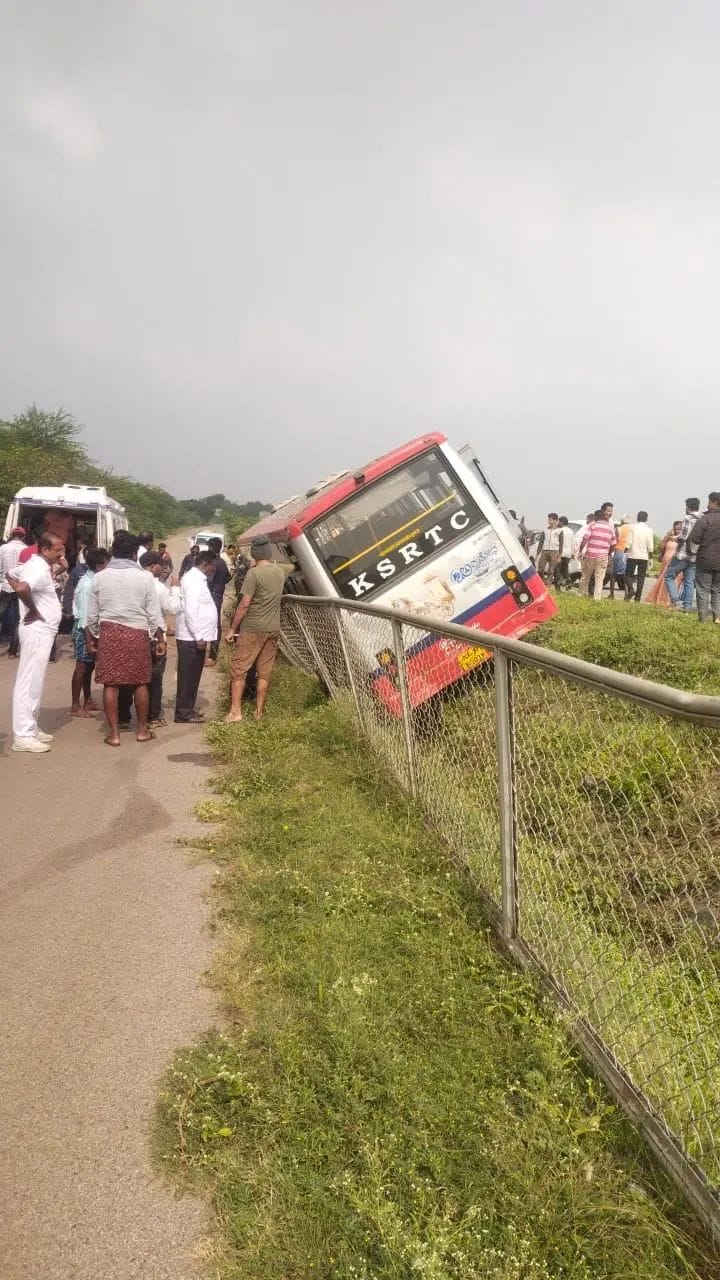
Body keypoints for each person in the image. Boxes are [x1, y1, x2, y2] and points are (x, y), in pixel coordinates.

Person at [85, 530, 165, 746]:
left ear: (113, 552)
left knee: (111, 684)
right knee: (140, 682)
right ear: (134, 554)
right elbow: (153, 612)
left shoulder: (99, 577)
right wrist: (159, 637)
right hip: (137, 633)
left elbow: (91, 614)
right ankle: (142, 731)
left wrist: (94, 636)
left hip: (109, 633)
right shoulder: (145, 578)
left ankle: (114, 735)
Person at [9, 534, 65, 753]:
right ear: (44, 549)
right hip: (37, 631)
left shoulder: (36, 565)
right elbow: (22, 588)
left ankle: (30, 726)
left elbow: (11, 574)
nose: (61, 554)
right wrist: (32, 609)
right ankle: (23, 735)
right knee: (29, 682)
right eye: (58, 550)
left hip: (42, 631)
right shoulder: (37, 569)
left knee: (35, 682)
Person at [224, 534, 287, 723]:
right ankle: (259, 712)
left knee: (239, 668)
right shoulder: (279, 572)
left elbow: (245, 604)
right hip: (273, 627)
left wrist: (232, 629)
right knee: (264, 672)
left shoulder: (253, 573)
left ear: (254, 553)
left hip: (252, 628)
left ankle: (235, 712)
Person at [174, 550, 218, 723]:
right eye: (213, 566)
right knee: (187, 677)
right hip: (191, 638)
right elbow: (190, 611)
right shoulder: (194, 580)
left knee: (193, 676)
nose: (214, 569)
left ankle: (188, 709)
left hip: (195, 636)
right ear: (206, 564)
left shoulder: (198, 579)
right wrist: (198, 636)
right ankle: (183, 713)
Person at [139, 551, 182, 726]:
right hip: (154, 637)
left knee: (134, 677)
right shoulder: (159, 587)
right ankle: (153, 716)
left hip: (135, 635)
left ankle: (125, 716)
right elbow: (172, 609)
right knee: (155, 678)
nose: (162, 569)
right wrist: (176, 588)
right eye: (160, 566)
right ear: (152, 566)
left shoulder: (134, 583)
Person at [70, 547, 109, 715]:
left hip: (91, 630)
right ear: (100, 565)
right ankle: (75, 706)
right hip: (84, 631)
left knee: (89, 667)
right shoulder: (88, 585)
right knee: (81, 668)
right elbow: (85, 617)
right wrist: (89, 641)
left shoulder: (94, 581)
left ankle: (88, 700)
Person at [687, 492, 720, 623]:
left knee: (703, 589)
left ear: (714, 502)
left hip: (705, 559)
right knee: (717, 590)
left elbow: (694, 538)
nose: (707, 505)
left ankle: (703, 619)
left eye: (709, 502)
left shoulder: (705, 519)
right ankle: (717, 617)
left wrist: (701, 544)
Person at [665, 497, 701, 612]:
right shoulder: (702, 518)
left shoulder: (688, 518)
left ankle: (675, 601)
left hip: (682, 554)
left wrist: (674, 538)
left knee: (669, 576)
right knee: (689, 581)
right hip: (695, 556)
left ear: (688, 507)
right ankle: (687, 607)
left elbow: (683, 537)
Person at [579, 503, 616, 600]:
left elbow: (585, 538)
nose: (610, 513)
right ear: (603, 512)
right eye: (608, 511)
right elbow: (613, 544)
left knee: (586, 576)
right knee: (599, 579)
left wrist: (580, 550)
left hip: (590, 555)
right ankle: (597, 598)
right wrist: (608, 553)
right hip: (603, 556)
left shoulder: (593, 525)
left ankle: (582, 595)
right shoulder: (611, 528)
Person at [0, 525, 27, 658]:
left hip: (5, 587)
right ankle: (12, 652)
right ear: (23, 536)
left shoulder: (3, 548)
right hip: (19, 588)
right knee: (18, 619)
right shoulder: (26, 550)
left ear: (12, 535)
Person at [206, 536, 231, 664]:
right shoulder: (221, 562)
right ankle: (212, 654)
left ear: (211, 547)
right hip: (218, 595)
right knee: (215, 623)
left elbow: (208, 580)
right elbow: (228, 578)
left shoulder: (212, 563)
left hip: (211, 595)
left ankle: (211, 656)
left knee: (211, 624)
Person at [647, 522, 683, 608]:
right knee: (662, 581)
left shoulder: (682, 539)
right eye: (675, 528)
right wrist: (667, 536)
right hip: (665, 561)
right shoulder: (669, 537)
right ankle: (660, 600)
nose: (677, 530)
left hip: (675, 563)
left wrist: (676, 539)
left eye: (679, 529)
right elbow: (660, 547)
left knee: (673, 582)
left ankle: (671, 601)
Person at [624, 511, 654, 602]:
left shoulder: (632, 527)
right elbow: (650, 546)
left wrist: (625, 552)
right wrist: (651, 558)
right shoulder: (649, 530)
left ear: (637, 518)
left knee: (628, 575)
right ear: (646, 519)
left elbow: (628, 542)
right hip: (644, 557)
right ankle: (637, 599)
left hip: (633, 555)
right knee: (641, 578)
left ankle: (631, 589)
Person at [536, 514, 561, 583]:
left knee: (551, 570)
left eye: (550, 519)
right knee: (541, 568)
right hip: (545, 551)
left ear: (555, 520)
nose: (548, 521)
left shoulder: (559, 530)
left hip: (554, 551)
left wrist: (560, 555)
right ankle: (541, 581)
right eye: (548, 519)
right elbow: (541, 542)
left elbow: (561, 543)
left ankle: (549, 583)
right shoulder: (545, 530)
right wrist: (537, 553)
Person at [556, 517, 573, 589]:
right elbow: (573, 543)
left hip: (560, 553)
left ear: (561, 522)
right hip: (568, 553)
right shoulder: (571, 531)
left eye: (559, 522)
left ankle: (558, 586)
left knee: (558, 570)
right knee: (565, 569)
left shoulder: (560, 530)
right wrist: (572, 553)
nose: (558, 523)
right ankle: (568, 581)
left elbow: (557, 542)